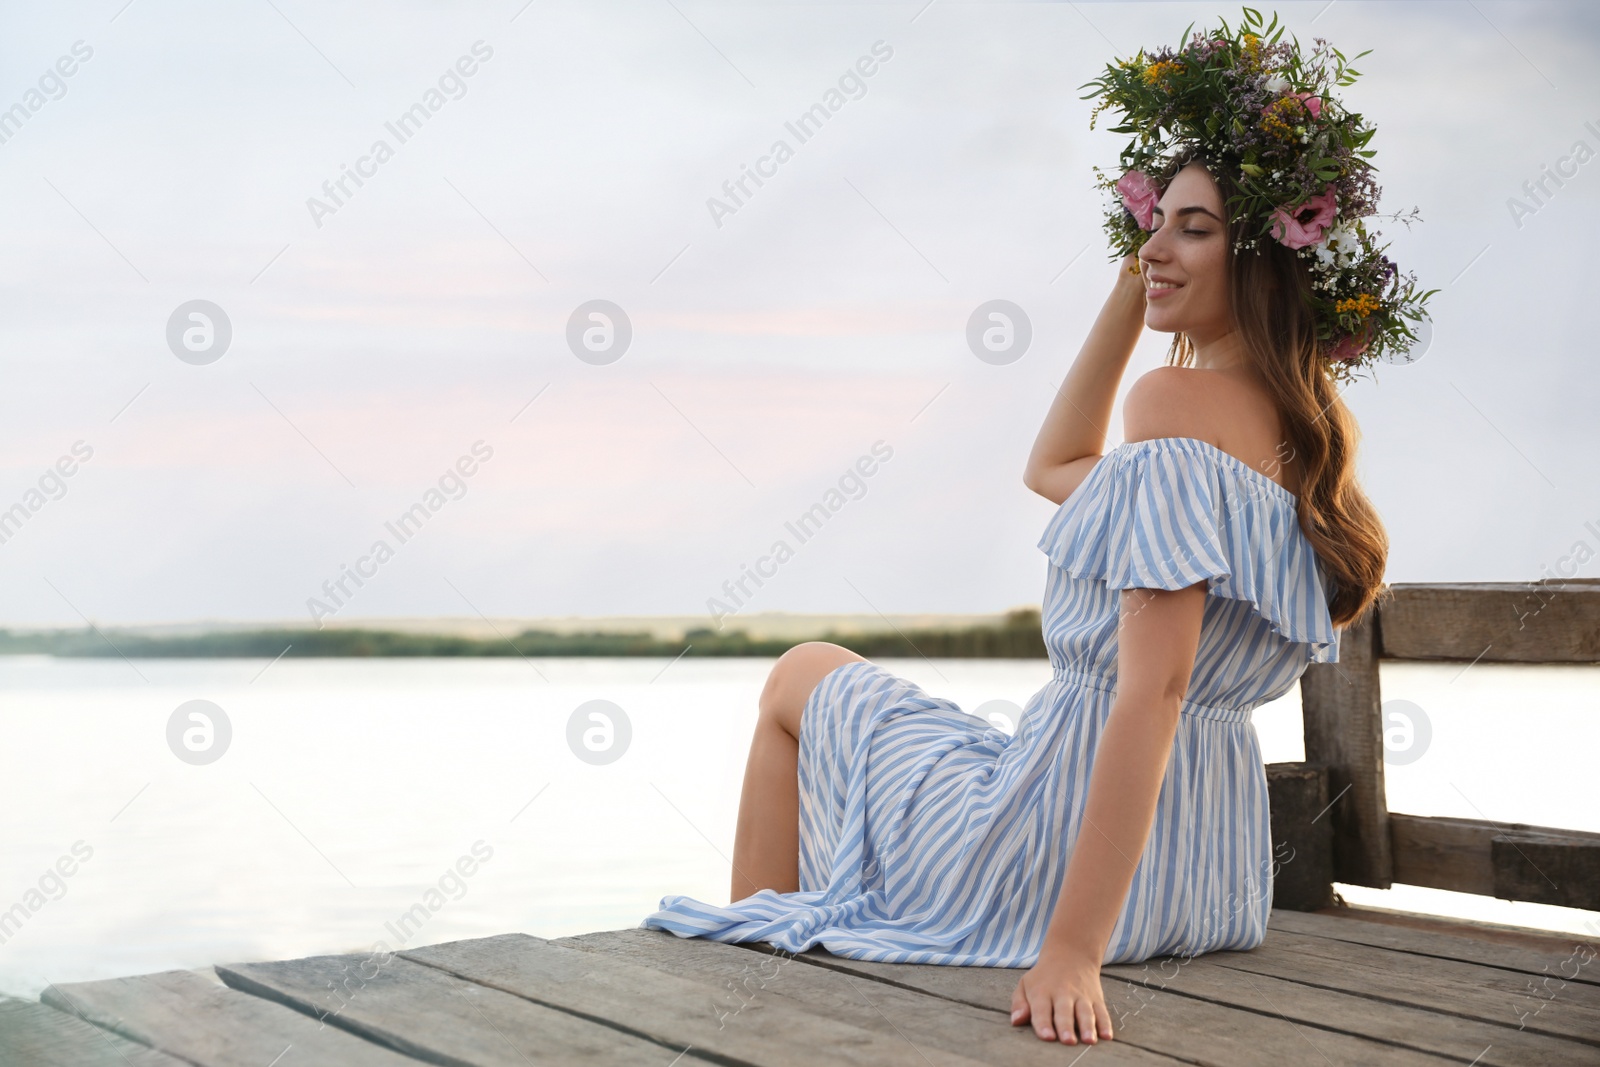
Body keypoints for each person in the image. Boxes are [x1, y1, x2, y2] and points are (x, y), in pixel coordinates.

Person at [641, 8, 1431, 1047]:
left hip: (1056, 858)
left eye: (1191, 226)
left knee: (800, 672)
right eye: (1156, 223)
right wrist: (1135, 280)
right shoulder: (1297, 440)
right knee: (896, 715)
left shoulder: (1172, 408)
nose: (1156, 244)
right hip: (1203, 879)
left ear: (1264, 258)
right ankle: (775, 941)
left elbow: (1149, 689)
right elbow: (1054, 468)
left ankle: (758, 967)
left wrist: (1070, 949)